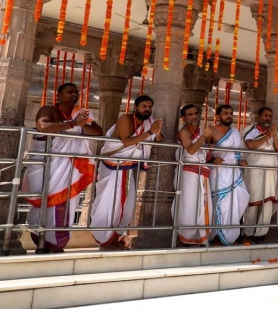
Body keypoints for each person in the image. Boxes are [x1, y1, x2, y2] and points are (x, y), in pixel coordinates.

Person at [23, 83, 103, 252]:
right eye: (69, 92)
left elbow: (98, 132)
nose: (74, 95)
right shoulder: (48, 110)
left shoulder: (80, 114)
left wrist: (81, 125)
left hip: (68, 167)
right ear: (58, 95)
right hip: (47, 165)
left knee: (66, 204)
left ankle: (56, 243)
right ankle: (41, 241)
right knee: (44, 200)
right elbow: (42, 126)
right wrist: (72, 124)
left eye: (76, 92)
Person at [91, 95, 163, 249]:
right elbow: (126, 141)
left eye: (150, 106)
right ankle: (104, 239)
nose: (147, 109)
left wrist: (157, 132)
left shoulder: (149, 123)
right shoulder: (126, 119)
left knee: (126, 203)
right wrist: (150, 132)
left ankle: (115, 237)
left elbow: (158, 139)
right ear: (135, 107)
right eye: (144, 106)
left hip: (127, 167)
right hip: (112, 165)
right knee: (109, 201)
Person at [207, 104, 250, 245]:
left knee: (242, 199)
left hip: (234, 173)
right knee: (221, 205)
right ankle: (217, 237)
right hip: (219, 172)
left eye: (231, 113)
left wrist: (241, 161)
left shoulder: (236, 132)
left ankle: (229, 237)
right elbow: (204, 151)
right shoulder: (211, 131)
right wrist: (213, 159)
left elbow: (237, 153)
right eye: (225, 113)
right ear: (218, 116)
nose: (229, 115)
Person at [173, 104, 214, 245]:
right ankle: (186, 237)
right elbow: (190, 150)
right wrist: (204, 136)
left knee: (201, 203)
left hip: (201, 171)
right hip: (189, 172)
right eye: (190, 114)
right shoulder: (185, 131)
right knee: (189, 204)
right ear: (183, 118)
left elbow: (203, 150)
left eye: (196, 113)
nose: (194, 116)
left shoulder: (200, 131)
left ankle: (199, 237)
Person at [241, 107, 278, 243]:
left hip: (270, 172)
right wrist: (268, 136)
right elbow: (250, 145)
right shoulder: (251, 130)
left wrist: (274, 136)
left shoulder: (272, 131)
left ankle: (261, 232)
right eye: (265, 115)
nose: (268, 118)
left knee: (267, 201)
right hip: (255, 171)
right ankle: (249, 231)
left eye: (270, 116)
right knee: (254, 200)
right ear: (259, 116)